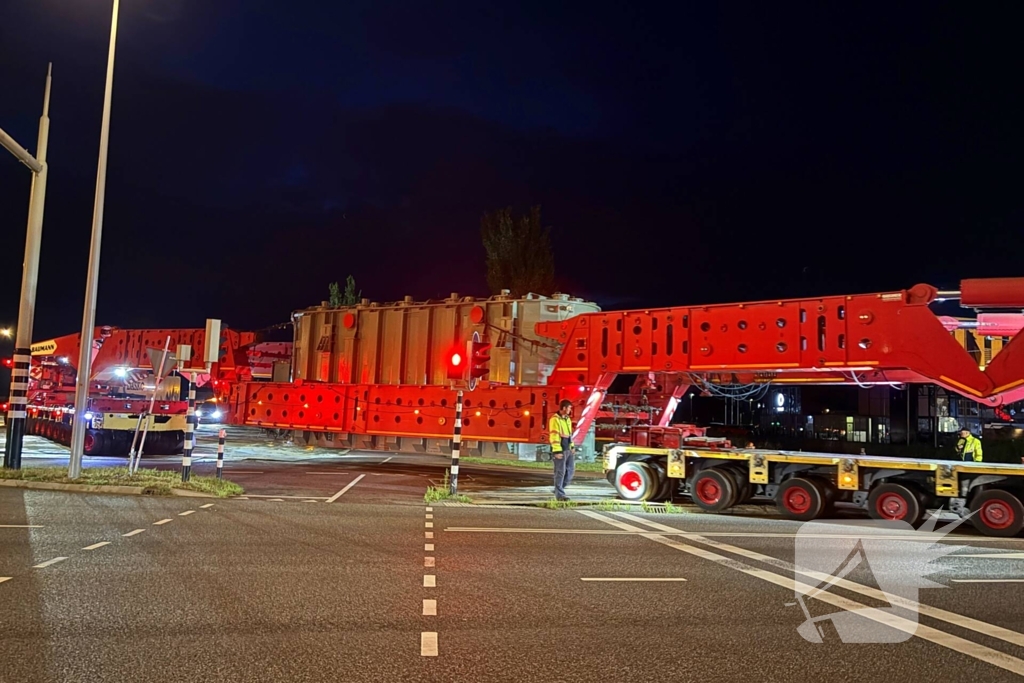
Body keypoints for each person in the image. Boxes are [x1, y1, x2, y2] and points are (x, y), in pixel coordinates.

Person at [548, 400, 575, 501]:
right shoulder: (555, 419)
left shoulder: (567, 419)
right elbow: (554, 436)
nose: (570, 410)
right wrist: (556, 452)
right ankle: (560, 495)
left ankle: (558, 489)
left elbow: (569, 434)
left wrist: (572, 447)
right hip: (560, 450)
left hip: (568, 449)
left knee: (570, 472)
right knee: (560, 472)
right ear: (564, 408)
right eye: (569, 408)